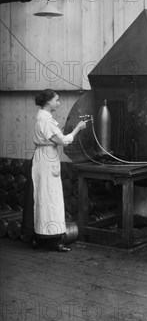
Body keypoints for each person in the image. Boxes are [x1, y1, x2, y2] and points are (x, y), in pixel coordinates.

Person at [30, 89, 87, 252]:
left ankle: (41, 237)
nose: (59, 103)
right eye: (57, 100)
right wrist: (78, 128)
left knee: (43, 199)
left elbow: (54, 137)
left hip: (43, 159)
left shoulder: (43, 117)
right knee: (51, 201)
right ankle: (53, 240)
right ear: (48, 102)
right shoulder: (46, 121)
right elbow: (64, 141)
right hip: (47, 161)